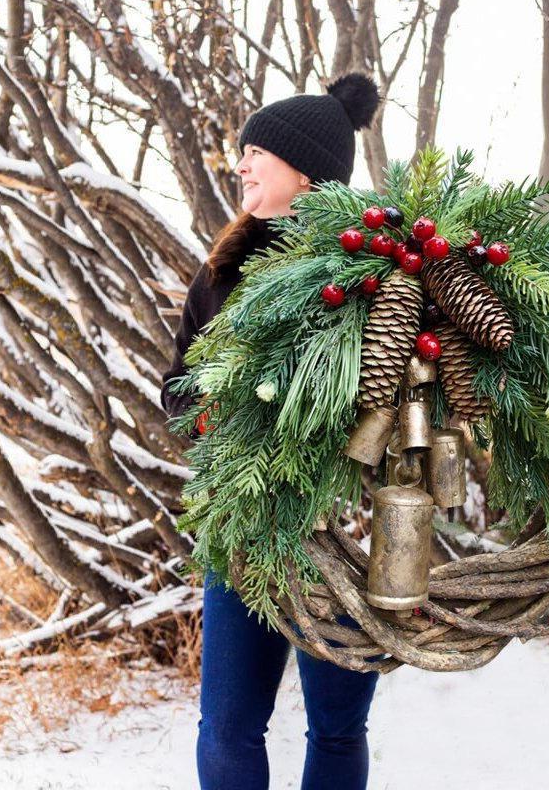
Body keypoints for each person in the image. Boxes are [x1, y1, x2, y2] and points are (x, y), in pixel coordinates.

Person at [159, 72, 383, 790]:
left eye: (257, 150)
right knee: (227, 726)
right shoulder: (221, 271)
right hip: (244, 532)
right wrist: (217, 415)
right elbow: (176, 390)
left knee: (339, 729)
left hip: (349, 536)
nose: (243, 163)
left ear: (306, 168)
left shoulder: (371, 271)